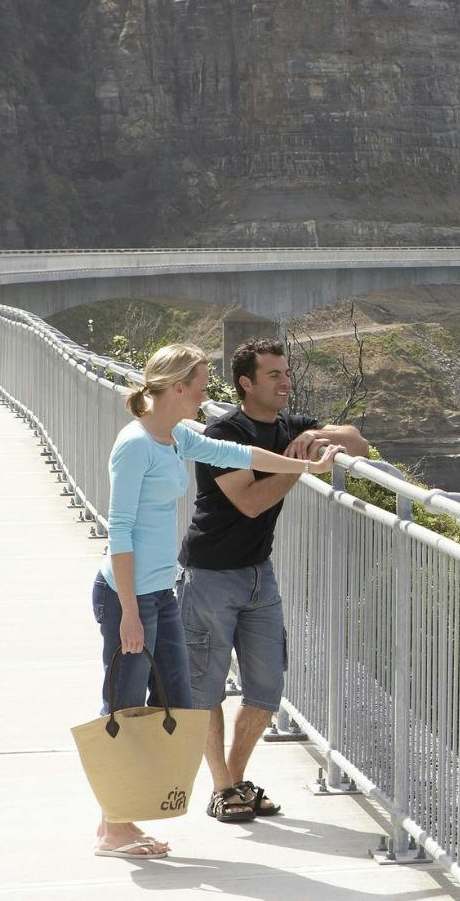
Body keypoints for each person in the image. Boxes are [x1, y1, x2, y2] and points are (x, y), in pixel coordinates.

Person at [93, 343, 340, 859]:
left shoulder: (176, 434)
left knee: (177, 706)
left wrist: (307, 467)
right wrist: (131, 613)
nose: (208, 395)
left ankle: (131, 814)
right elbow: (118, 531)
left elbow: (240, 455)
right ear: (178, 387)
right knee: (123, 706)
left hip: (161, 590)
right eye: (202, 386)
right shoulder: (135, 444)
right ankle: (113, 827)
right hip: (129, 596)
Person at [178, 338, 369, 824]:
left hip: (259, 573)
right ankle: (224, 787)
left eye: (286, 374)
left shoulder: (287, 425)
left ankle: (233, 783)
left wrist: (317, 441)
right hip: (209, 574)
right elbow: (250, 502)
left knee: (267, 687)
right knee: (206, 689)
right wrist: (303, 465)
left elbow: (358, 441)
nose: (286, 383)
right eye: (274, 376)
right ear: (246, 383)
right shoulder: (224, 433)